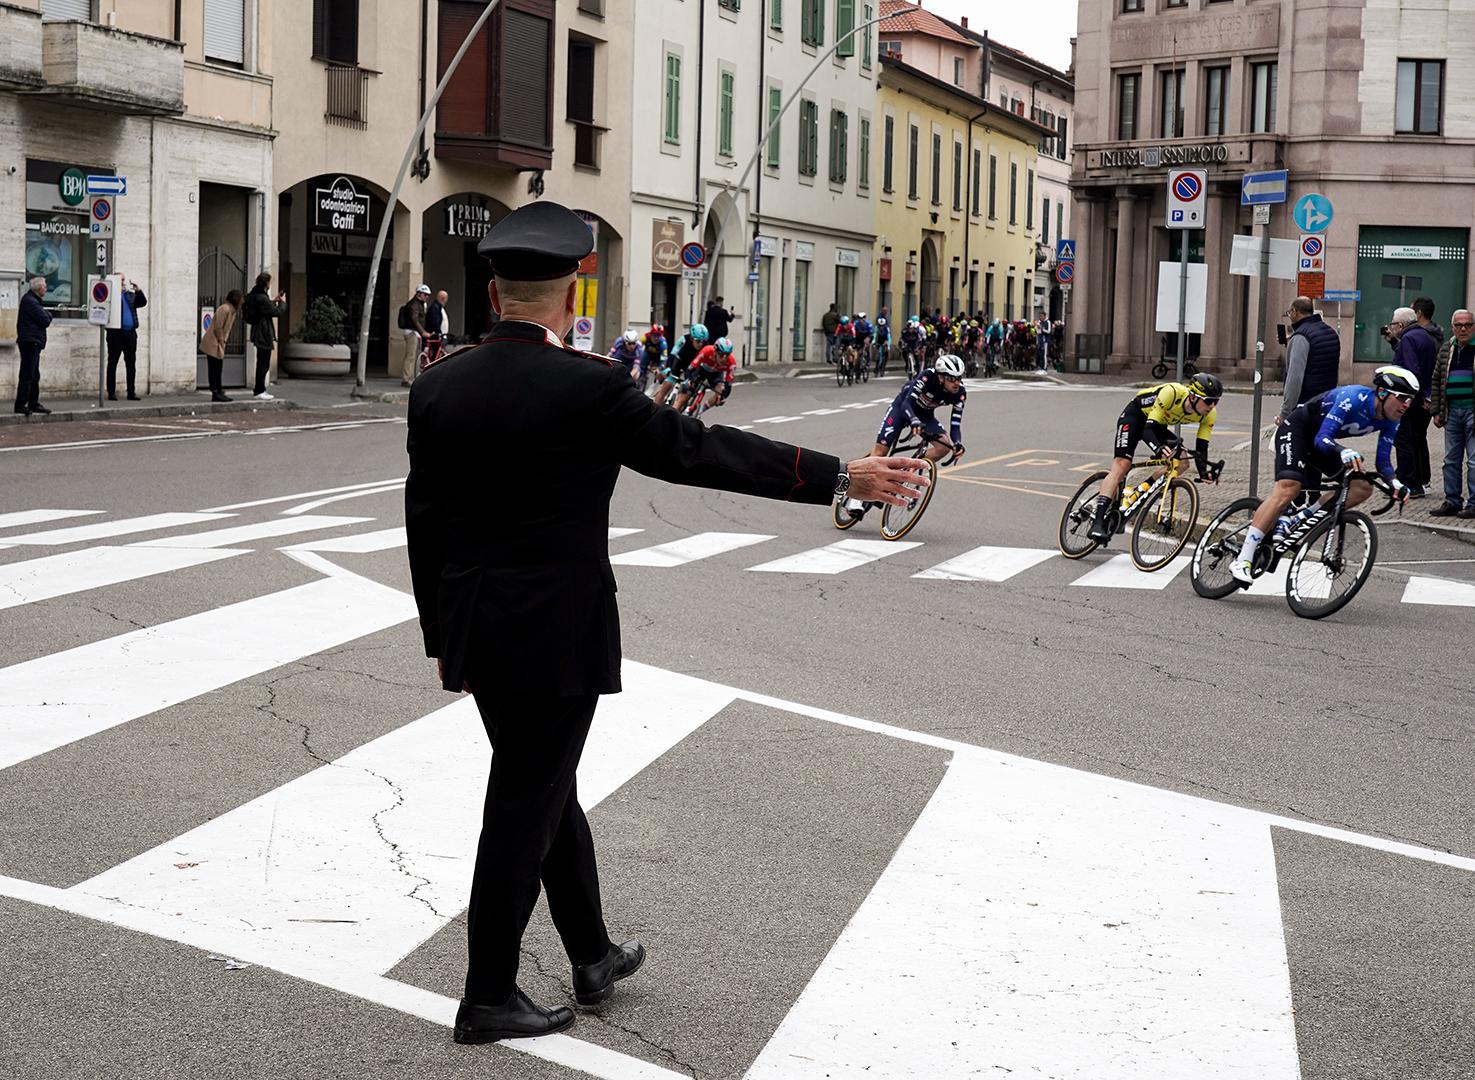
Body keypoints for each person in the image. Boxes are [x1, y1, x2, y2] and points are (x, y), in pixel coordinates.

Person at [403, 199, 927, 1045]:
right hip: (557, 634)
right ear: (571, 292)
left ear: (494, 294)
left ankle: (591, 954)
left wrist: (442, 637)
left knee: (543, 784)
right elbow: (700, 453)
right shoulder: (590, 388)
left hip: (477, 628)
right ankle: (487, 995)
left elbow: (423, 522)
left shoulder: (437, 385)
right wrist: (840, 475)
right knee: (525, 799)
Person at [1229, 367, 1417, 584]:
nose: (1406, 404)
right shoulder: (1352, 398)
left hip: (1320, 444)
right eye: (1402, 398)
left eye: (1410, 399)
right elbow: (1322, 439)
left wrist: (1395, 482)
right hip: (1297, 431)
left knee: (1362, 487)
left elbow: (1383, 462)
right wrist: (1343, 451)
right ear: (1382, 393)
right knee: (1289, 487)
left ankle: (1300, 518)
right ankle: (1243, 560)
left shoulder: (1392, 420)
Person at [1087, 374, 1223, 544]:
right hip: (1136, 417)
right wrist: (1158, 448)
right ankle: (1098, 522)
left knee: (1182, 463)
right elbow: (1147, 430)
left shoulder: (1209, 414)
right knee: (1122, 465)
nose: (1212, 406)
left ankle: (1140, 491)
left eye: (1216, 402)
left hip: (1157, 425)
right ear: (1193, 397)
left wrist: (1204, 472)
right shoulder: (1171, 393)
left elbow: (1201, 447)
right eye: (1209, 401)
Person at [839, 353, 967, 522]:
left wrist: (957, 444)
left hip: (924, 416)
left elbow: (955, 423)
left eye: (959, 378)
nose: (957, 383)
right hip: (902, 409)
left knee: (944, 446)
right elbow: (907, 403)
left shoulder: (960, 393)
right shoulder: (927, 377)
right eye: (952, 378)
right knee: (880, 452)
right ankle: (856, 499)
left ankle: (903, 472)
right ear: (941, 377)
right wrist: (913, 420)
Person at [1387, 302, 1437, 496]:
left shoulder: (1408, 338)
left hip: (1411, 399)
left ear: (1400, 325)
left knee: (1404, 440)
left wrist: (1405, 398)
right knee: (1417, 440)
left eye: (1393, 324)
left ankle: (1408, 483)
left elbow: (1411, 370)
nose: (1391, 328)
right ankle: (1421, 480)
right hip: (1423, 398)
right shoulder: (1425, 336)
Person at [1429, 309, 1475, 518]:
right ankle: (1453, 501)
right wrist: (1436, 411)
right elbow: (1437, 380)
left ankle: (1473, 503)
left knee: (1473, 461)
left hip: (1472, 410)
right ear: (1452, 327)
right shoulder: (1447, 348)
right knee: (1450, 460)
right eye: (1459, 325)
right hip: (1452, 411)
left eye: (1467, 325)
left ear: (1473, 327)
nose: (1463, 329)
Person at [1276, 297, 1339, 423]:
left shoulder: (1301, 337)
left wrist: (1285, 413)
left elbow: (1295, 379)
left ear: (1295, 312)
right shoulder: (1330, 332)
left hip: (1305, 409)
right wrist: (1292, 345)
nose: (1290, 316)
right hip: (1327, 404)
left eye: (1289, 312)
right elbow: (1318, 359)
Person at [241, 272, 286, 401]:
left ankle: (259, 390)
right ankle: (260, 390)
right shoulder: (261, 298)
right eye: (269, 282)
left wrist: (273, 301)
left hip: (257, 331)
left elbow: (264, 308)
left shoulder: (253, 295)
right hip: (263, 332)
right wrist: (283, 303)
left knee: (261, 361)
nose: (270, 284)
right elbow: (276, 312)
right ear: (266, 283)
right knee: (263, 363)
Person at [104, 275, 148, 402]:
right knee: (112, 363)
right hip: (115, 334)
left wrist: (138, 291)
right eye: (120, 280)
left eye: (123, 280)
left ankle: (131, 392)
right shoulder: (111, 296)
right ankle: (111, 392)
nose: (123, 282)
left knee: (131, 364)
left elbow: (142, 302)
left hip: (130, 334)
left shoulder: (129, 295)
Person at [15, 276, 52, 416]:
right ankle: (21, 404)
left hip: (32, 341)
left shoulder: (33, 301)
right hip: (30, 342)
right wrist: (48, 315)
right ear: (39, 288)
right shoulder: (30, 301)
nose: (46, 289)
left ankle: (33, 402)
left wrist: (46, 314)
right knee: (28, 374)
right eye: (45, 287)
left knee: (34, 375)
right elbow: (45, 320)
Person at [672, 335, 736, 414]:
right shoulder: (707, 351)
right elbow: (690, 368)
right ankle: (672, 413)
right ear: (715, 351)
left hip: (716, 374)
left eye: (727, 355)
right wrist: (690, 380)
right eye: (721, 354)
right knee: (687, 393)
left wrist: (722, 396)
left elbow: (728, 385)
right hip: (702, 370)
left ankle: (699, 412)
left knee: (720, 391)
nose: (724, 358)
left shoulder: (732, 363)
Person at [201, 289, 242, 403]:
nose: (242, 301)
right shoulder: (225, 309)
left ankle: (218, 390)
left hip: (218, 342)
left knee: (218, 368)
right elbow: (218, 327)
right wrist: (221, 340)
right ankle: (215, 392)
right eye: (240, 299)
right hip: (213, 342)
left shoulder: (231, 310)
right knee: (214, 368)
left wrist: (223, 341)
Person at [652, 323, 706, 405]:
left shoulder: (705, 345)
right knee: (668, 384)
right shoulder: (683, 340)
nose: (700, 344)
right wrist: (669, 367)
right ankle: (655, 405)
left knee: (689, 389)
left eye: (703, 341)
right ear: (692, 338)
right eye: (698, 341)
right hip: (679, 362)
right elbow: (673, 354)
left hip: (692, 366)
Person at [400, 285, 431, 386]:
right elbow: (415, 319)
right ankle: (406, 379)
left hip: (415, 332)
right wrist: (423, 332)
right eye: (425, 295)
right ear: (419, 294)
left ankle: (410, 377)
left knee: (413, 356)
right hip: (412, 332)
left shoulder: (419, 304)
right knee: (410, 356)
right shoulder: (414, 305)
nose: (426, 297)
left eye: (427, 295)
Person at [638, 323, 667, 390]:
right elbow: (637, 347)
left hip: (658, 356)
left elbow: (664, 358)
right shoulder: (645, 337)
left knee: (661, 370)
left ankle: (658, 385)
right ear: (651, 334)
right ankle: (641, 380)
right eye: (654, 335)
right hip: (648, 354)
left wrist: (660, 368)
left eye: (658, 336)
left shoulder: (663, 343)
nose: (656, 338)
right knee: (642, 365)